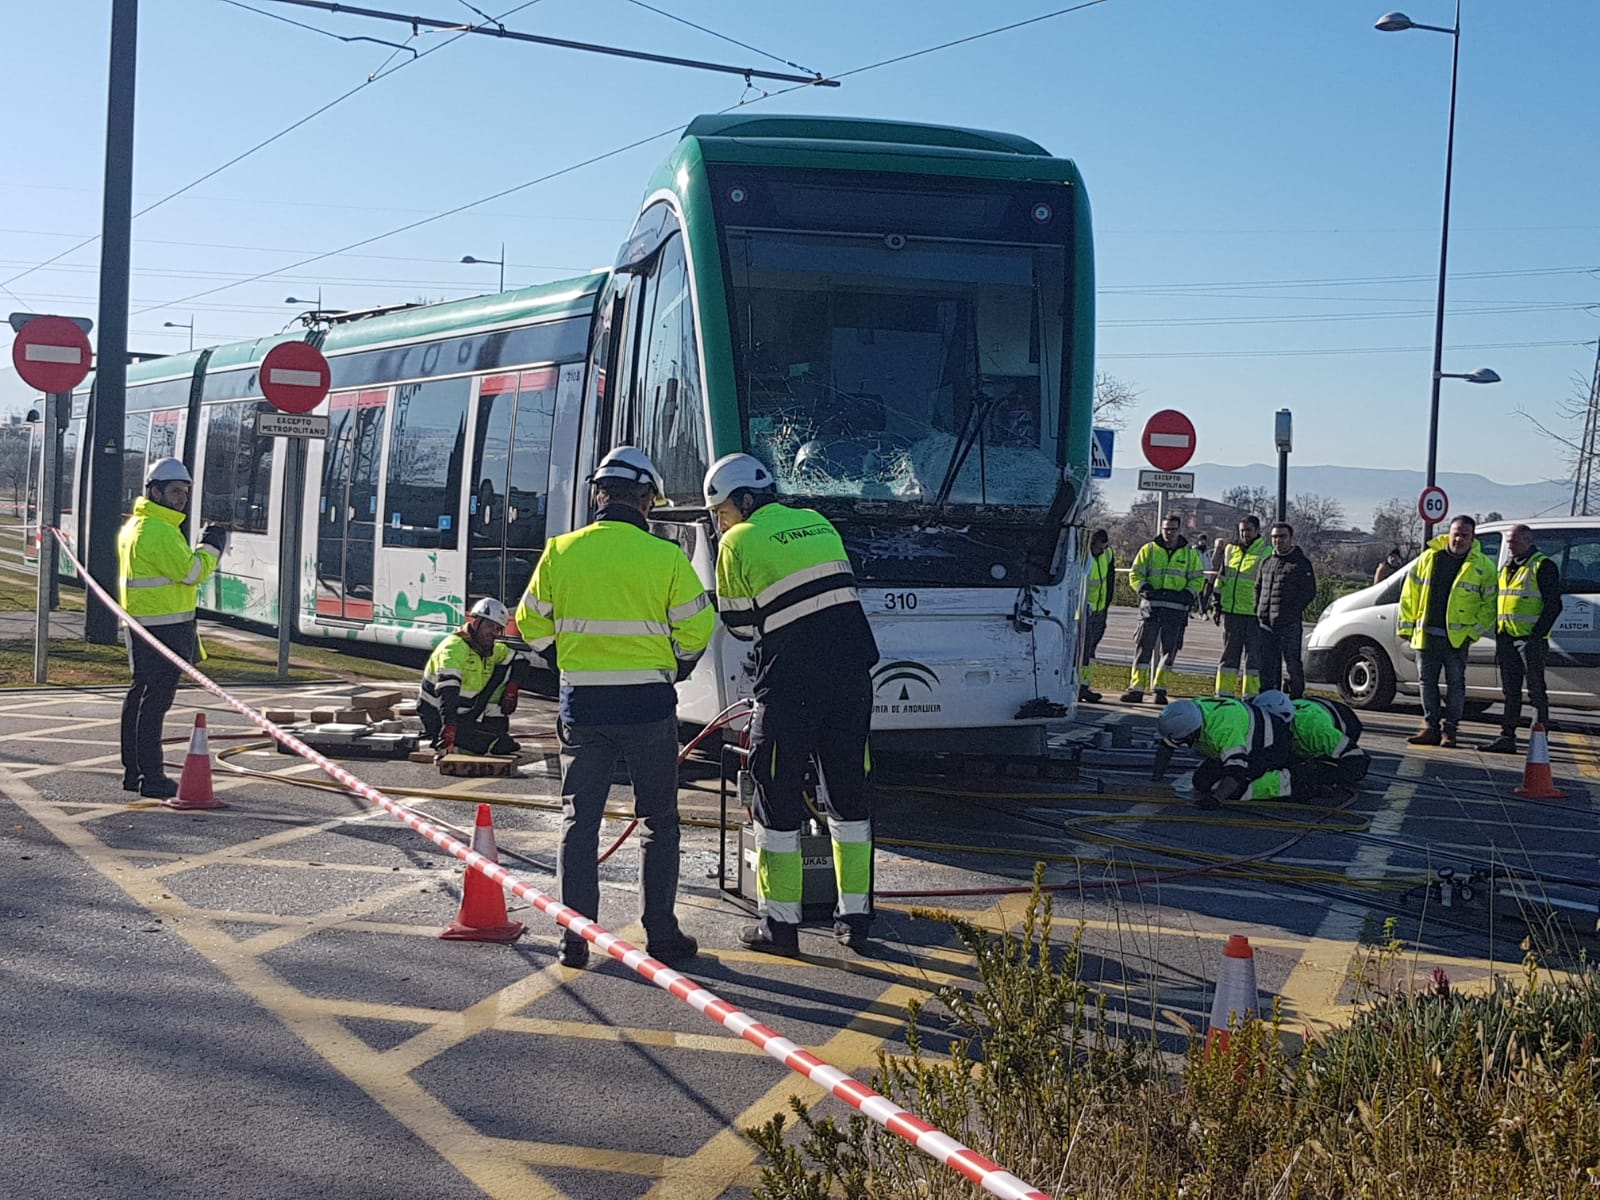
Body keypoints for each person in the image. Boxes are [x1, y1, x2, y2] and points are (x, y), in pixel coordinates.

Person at [515, 446, 714, 969]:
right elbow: (697, 628)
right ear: (647, 499)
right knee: (658, 821)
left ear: (599, 495)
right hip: (649, 706)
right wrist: (675, 667)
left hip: (584, 708)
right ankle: (662, 935)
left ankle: (575, 937)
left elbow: (530, 625)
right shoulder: (667, 557)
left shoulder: (561, 551)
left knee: (579, 822)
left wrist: (567, 661)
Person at [703, 451, 881, 956]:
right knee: (848, 799)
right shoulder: (817, 522)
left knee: (775, 803)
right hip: (852, 679)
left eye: (721, 512)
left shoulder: (737, 542)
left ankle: (780, 927)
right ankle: (855, 920)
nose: (720, 522)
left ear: (743, 500)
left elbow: (739, 626)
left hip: (792, 686)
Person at [117, 458, 228, 799]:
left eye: (185, 492)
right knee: (155, 704)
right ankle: (152, 776)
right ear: (155, 491)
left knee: (140, 696)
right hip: (165, 629)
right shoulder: (159, 530)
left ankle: (135, 772)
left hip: (145, 624)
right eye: (175, 491)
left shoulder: (138, 525)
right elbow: (191, 572)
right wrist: (212, 546)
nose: (181, 498)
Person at [1397, 514, 1497, 749]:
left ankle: (1450, 730)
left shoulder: (1483, 566)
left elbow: (1490, 605)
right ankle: (1431, 727)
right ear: (1448, 534)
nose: (1459, 539)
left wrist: (1473, 632)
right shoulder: (1430, 558)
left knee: (1456, 684)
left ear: (1473, 538)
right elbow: (1409, 593)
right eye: (1456, 534)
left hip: (1457, 638)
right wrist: (1406, 625)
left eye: (1464, 535)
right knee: (1426, 682)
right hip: (1427, 633)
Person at [1483, 523, 1563, 754]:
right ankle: (1506, 737)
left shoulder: (1542, 565)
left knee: (1536, 691)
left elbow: (1553, 605)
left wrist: (1536, 635)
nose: (1509, 545)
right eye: (1509, 541)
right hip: (1507, 636)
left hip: (1529, 640)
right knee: (1510, 691)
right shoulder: (1508, 566)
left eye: (1514, 541)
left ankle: (1539, 739)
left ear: (1528, 541)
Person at [417, 597, 529, 756]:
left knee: (506, 670)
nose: (494, 633)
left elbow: (521, 660)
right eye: (490, 626)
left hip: (465, 714)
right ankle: (445, 739)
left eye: (498, 629)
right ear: (476, 623)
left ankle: (492, 729)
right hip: (438, 714)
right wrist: (449, 725)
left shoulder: (491, 649)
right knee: (497, 745)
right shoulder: (454, 648)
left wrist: (513, 688)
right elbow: (447, 689)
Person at [1120, 513, 1204, 706]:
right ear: (1161, 529)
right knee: (1143, 650)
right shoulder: (1148, 550)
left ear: (1179, 530)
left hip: (1176, 610)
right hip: (1151, 608)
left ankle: (1160, 690)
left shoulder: (1189, 554)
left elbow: (1198, 578)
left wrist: (1188, 594)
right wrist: (1142, 588)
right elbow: (1136, 572)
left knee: (1169, 652)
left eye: (1173, 529)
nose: (1169, 533)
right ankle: (1137, 689)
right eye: (1166, 529)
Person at [1153, 695, 1294, 809]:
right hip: (1245, 733)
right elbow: (1166, 748)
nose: (1182, 743)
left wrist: (1216, 799)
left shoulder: (1223, 732)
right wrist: (1155, 782)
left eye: (1184, 740)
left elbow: (1236, 772)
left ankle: (1288, 781)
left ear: (1191, 733)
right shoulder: (1191, 712)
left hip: (1271, 744)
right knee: (1202, 782)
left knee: (1234, 790)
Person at [1205, 515, 1269, 698]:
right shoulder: (1230, 550)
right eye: (1242, 530)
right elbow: (1221, 580)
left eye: (1248, 530)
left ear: (1257, 531)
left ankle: (1251, 696)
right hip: (1231, 613)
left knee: (1253, 658)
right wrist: (1216, 606)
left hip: (1254, 614)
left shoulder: (1266, 551)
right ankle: (1224, 694)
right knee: (1229, 656)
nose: (1244, 534)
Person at [1255, 522, 1316, 699]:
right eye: (1274, 537)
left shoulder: (1300, 563)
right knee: (1266, 665)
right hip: (1266, 625)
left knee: (1292, 664)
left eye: (1282, 537)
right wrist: (1258, 609)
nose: (1278, 540)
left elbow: (1309, 592)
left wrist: (1291, 611)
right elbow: (1258, 587)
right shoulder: (1267, 562)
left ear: (1290, 538)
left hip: (1289, 624)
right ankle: (1268, 698)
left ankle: (1297, 699)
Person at [1080, 529, 1113, 703]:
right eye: (1099, 546)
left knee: (1091, 650)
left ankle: (1084, 685)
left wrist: (1106, 605)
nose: (1101, 549)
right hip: (1083, 609)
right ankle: (1077, 685)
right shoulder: (1083, 556)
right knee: (1082, 650)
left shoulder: (1107, 555)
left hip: (1099, 610)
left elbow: (1110, 580)